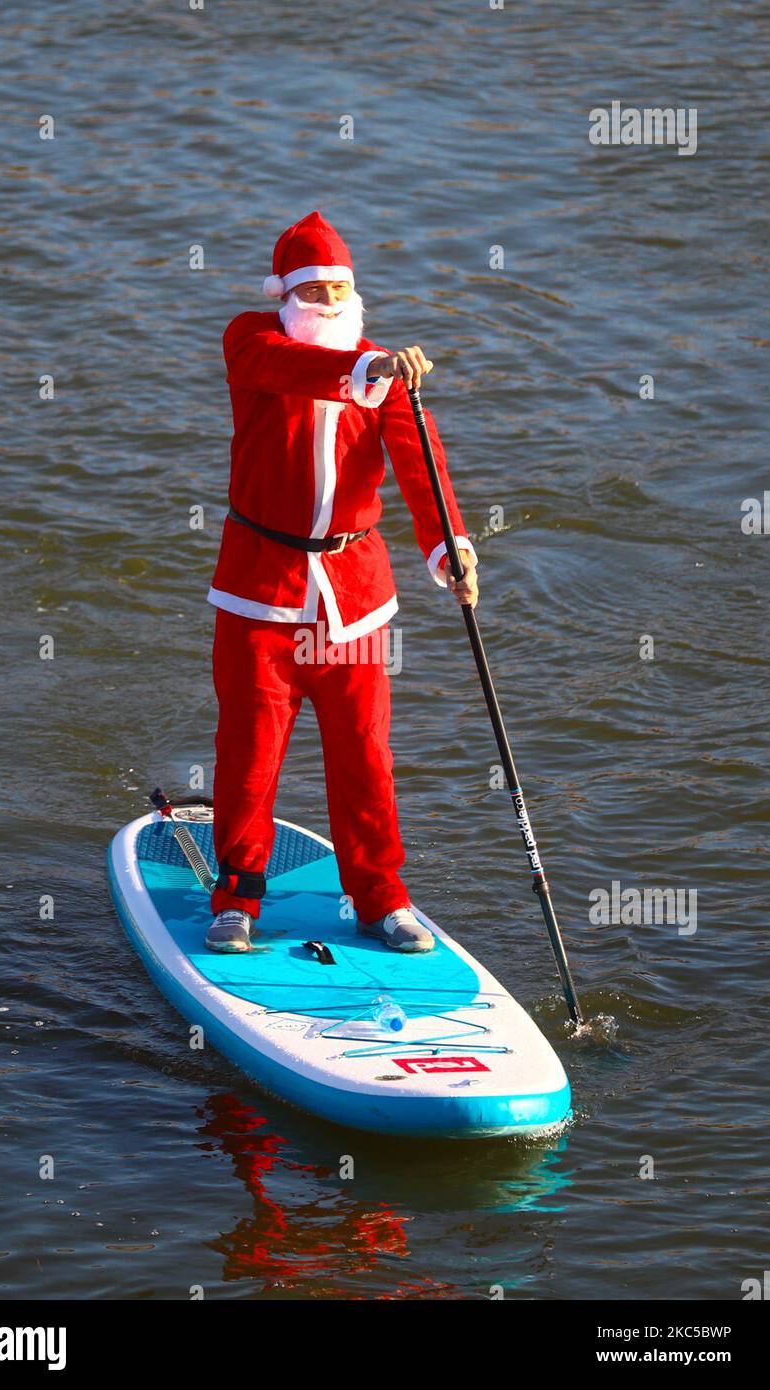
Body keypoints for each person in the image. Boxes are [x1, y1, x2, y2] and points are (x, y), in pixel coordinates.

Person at [205, 211, 478, 954]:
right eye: (313, 290)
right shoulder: (252, 344)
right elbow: (290, 368)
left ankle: (381, 897)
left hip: (353, 602)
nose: (327, 301)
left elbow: (422, 466)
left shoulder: (386, 377)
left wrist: (448, 546)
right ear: (285, 296)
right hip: (258, 595)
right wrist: (367, 369)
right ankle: (236, 899)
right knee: (250, 754)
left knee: (365, 753)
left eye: (338, 290)